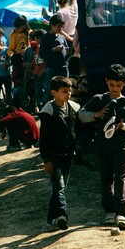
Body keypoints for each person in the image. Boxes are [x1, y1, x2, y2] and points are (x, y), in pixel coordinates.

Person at [79, 64, 125, 230]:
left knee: (121, 179)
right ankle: (109, 211)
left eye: (118, 85)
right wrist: (96, 115)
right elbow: (82, 115)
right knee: (106, 180)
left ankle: (121, 213)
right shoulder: (98, 99)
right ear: (106, 82)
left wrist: (124, 126)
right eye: (111, 85)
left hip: (122, 147)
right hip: (102, 147)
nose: (114, 88)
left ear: (124, 83)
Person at [39, 76, 80, 231]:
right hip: (54, 155)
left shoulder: (74, 108)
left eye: (69, 90)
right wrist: (46, 159)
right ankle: (62, 215)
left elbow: (78, 129)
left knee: (59, 188)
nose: (68, 94)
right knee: (59, 187)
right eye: (64, 91)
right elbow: (45, 138)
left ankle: (51, 218)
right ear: (54, 93)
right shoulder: (48, 112)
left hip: (68, 155)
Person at [40, 14, 69, 105]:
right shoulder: (45, 38)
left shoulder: (62, 37)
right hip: (52, 68)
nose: (60, 28)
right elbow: (42, 54)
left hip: (63, 67)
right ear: (52, 25)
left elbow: (67, 50)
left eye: (61, 26)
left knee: (65, 89)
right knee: (50, 91)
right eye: (58, 26)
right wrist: (54, 50)